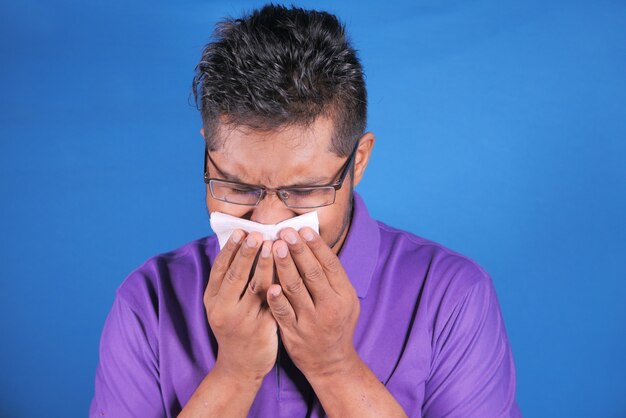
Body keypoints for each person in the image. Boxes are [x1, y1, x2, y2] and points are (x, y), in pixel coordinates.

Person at [90, 4, 521, 417]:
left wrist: (335, 367)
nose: (268, 222)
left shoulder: (452, 296)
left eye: (304, 191)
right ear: (206, 152)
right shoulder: (150, 300)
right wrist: (235, 373)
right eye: (237, 186)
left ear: (359, 161)